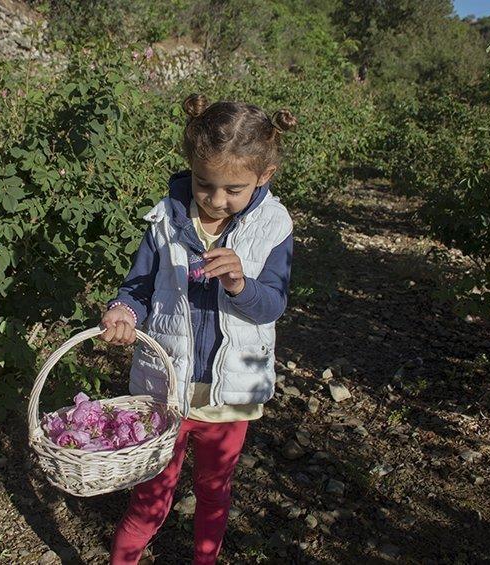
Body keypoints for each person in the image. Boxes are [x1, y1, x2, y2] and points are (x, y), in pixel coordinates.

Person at [100, 93, 296, 564]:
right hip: (165, 388)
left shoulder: (273, 226)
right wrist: (123, 310)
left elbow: (272, 304)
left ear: (263, 176)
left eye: (233, 189)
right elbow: (138, 288)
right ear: (191, 166)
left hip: (228, 397)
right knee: (149, 499)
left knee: (214, 492)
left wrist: (239, 284)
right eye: (206, 186)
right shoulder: (166, 219)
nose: (216, 200)